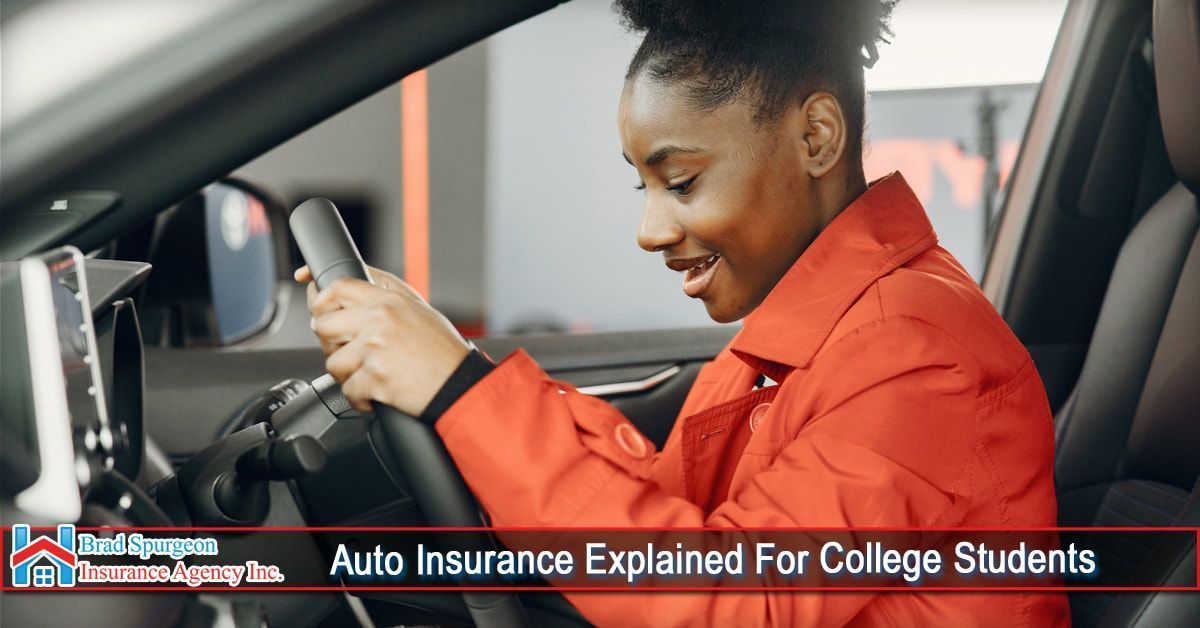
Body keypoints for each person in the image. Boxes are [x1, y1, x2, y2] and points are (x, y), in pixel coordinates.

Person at [299, 0, 1069, 625]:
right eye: (644, 186)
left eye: (682, 182)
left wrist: (461, 393)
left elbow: (728, 603)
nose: (651, 230)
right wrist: (457, 377)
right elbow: (666, 503)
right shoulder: (806, 336)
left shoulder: (916, 352)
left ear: (815, 137)